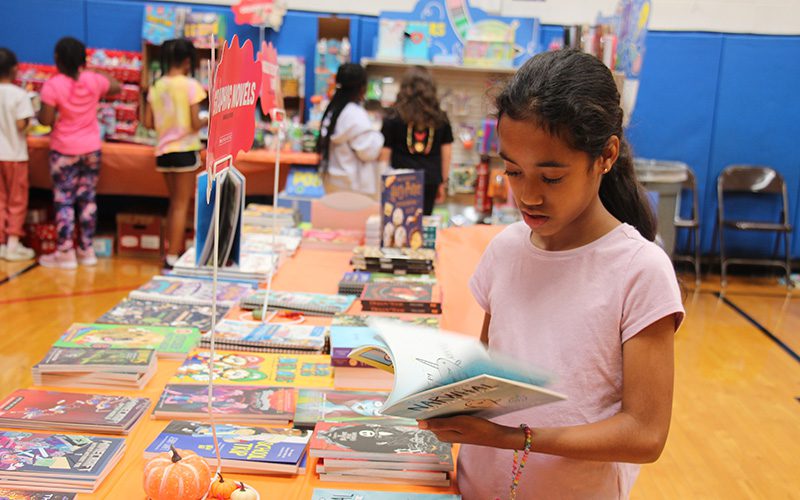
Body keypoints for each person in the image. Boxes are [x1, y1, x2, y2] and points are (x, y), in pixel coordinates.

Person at [417, 50, 684, 499]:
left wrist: (514, 439)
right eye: (513, 172)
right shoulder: (504, 250)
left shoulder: (641, 269)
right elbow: (487, 378)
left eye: (551, 177)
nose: (528, 195)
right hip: (475, 486)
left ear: (606, 156)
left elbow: (645, 434)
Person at [38, 37, 120, 269]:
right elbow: (116, 86)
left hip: (64, 149)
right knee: (87, 198)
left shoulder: (53, 85)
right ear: (83, 60)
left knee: (64, 200)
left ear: (57, 59)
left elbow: (45, 121)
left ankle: (65, 252)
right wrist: (91, 69)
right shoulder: (93, 80)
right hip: (92, 148)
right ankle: (87, 249)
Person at [144, 38, 207, 268]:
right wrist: (209, 117)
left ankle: (171, 250)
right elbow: (194, 122)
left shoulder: (157, 85)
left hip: (162, 151)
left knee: (174, 204)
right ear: (188, 61)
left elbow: (148, 122)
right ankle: (172, 256)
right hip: (185, 151)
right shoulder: (190, 85)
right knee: (181, 204)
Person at [381, 66, 453, 215]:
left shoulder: (393, 116)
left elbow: (384, 154)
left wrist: (381, 184)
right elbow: (447, 154)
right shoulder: (440, 117)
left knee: (398, 223)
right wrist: (442, 183)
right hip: (430, 180)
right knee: (422, 224)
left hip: (399, 180)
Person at [317, 63, 384, 199]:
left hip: (333, 183)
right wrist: (379, 137)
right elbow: (368, 152)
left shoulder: (332, 110)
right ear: (362, 88)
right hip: (354, 189)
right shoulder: (356, 114)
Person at [0, 47, 35, 261]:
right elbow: (22, 124)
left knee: (0, 199)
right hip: (14, 155)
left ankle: (1, 243)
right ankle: (12, 244)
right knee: (17, 199)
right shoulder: (20, 95)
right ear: (15, 69)